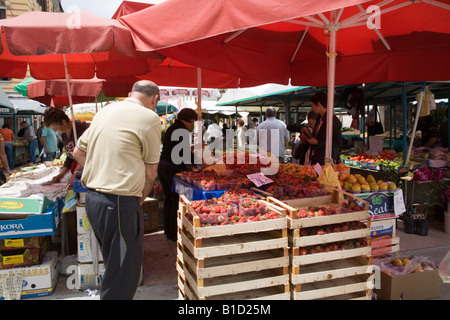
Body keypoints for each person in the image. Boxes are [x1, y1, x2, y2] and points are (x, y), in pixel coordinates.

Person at [73, 80, 161, 300]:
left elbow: (78, 152)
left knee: (115, 266)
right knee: (123, 274)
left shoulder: (106, 110)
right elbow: (151, 172)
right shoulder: (150, 118)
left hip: (94, 200)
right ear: (155, 100)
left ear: (131, 93)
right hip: (119, 202)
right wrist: (139, 199)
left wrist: (101, 170)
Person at [158, 108, 198, 241]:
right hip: (171, 169)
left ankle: (168, 231)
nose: (192, 125)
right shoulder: (181, 131)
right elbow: (184, 154)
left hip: (163, 166)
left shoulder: (172, 127)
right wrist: (198, 162)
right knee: (174, 200)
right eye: (192, 122)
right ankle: (174, 234)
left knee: (168, 199)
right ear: (187, 120)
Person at [43, 108, 89, 183]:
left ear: (63, 122)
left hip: (87, 171)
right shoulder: (64, 134)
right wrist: (61, 174)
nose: (55, 131)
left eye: (56, 128)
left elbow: (84, 154)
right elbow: (70, 155)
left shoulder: (81, 131)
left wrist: (73, 177)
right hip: (78, 172)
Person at [304, 91, 343, 165]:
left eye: (313, 104)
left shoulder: (333, 120)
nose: (312, 107)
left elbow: (338, 142)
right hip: (316, 160)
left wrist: (317, 143)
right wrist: (309, 136)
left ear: (318, 104)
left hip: (326, 161)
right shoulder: (319, 119)